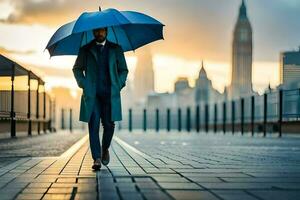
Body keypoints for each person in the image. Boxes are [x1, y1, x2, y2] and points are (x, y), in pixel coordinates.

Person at [72, 27, 128, 170]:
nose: (99, 33)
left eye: (102, 31)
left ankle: (105, 149)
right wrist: (84, 83)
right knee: (94, 124)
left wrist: (119, 84)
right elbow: (77, 69)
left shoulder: (116, 49)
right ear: (92, 32)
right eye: (96, 31)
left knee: (109, 125)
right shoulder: (85, 49)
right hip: (92, 96)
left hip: (110, 94)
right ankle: (96, 158)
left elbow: (124, 70)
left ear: (107, 31)